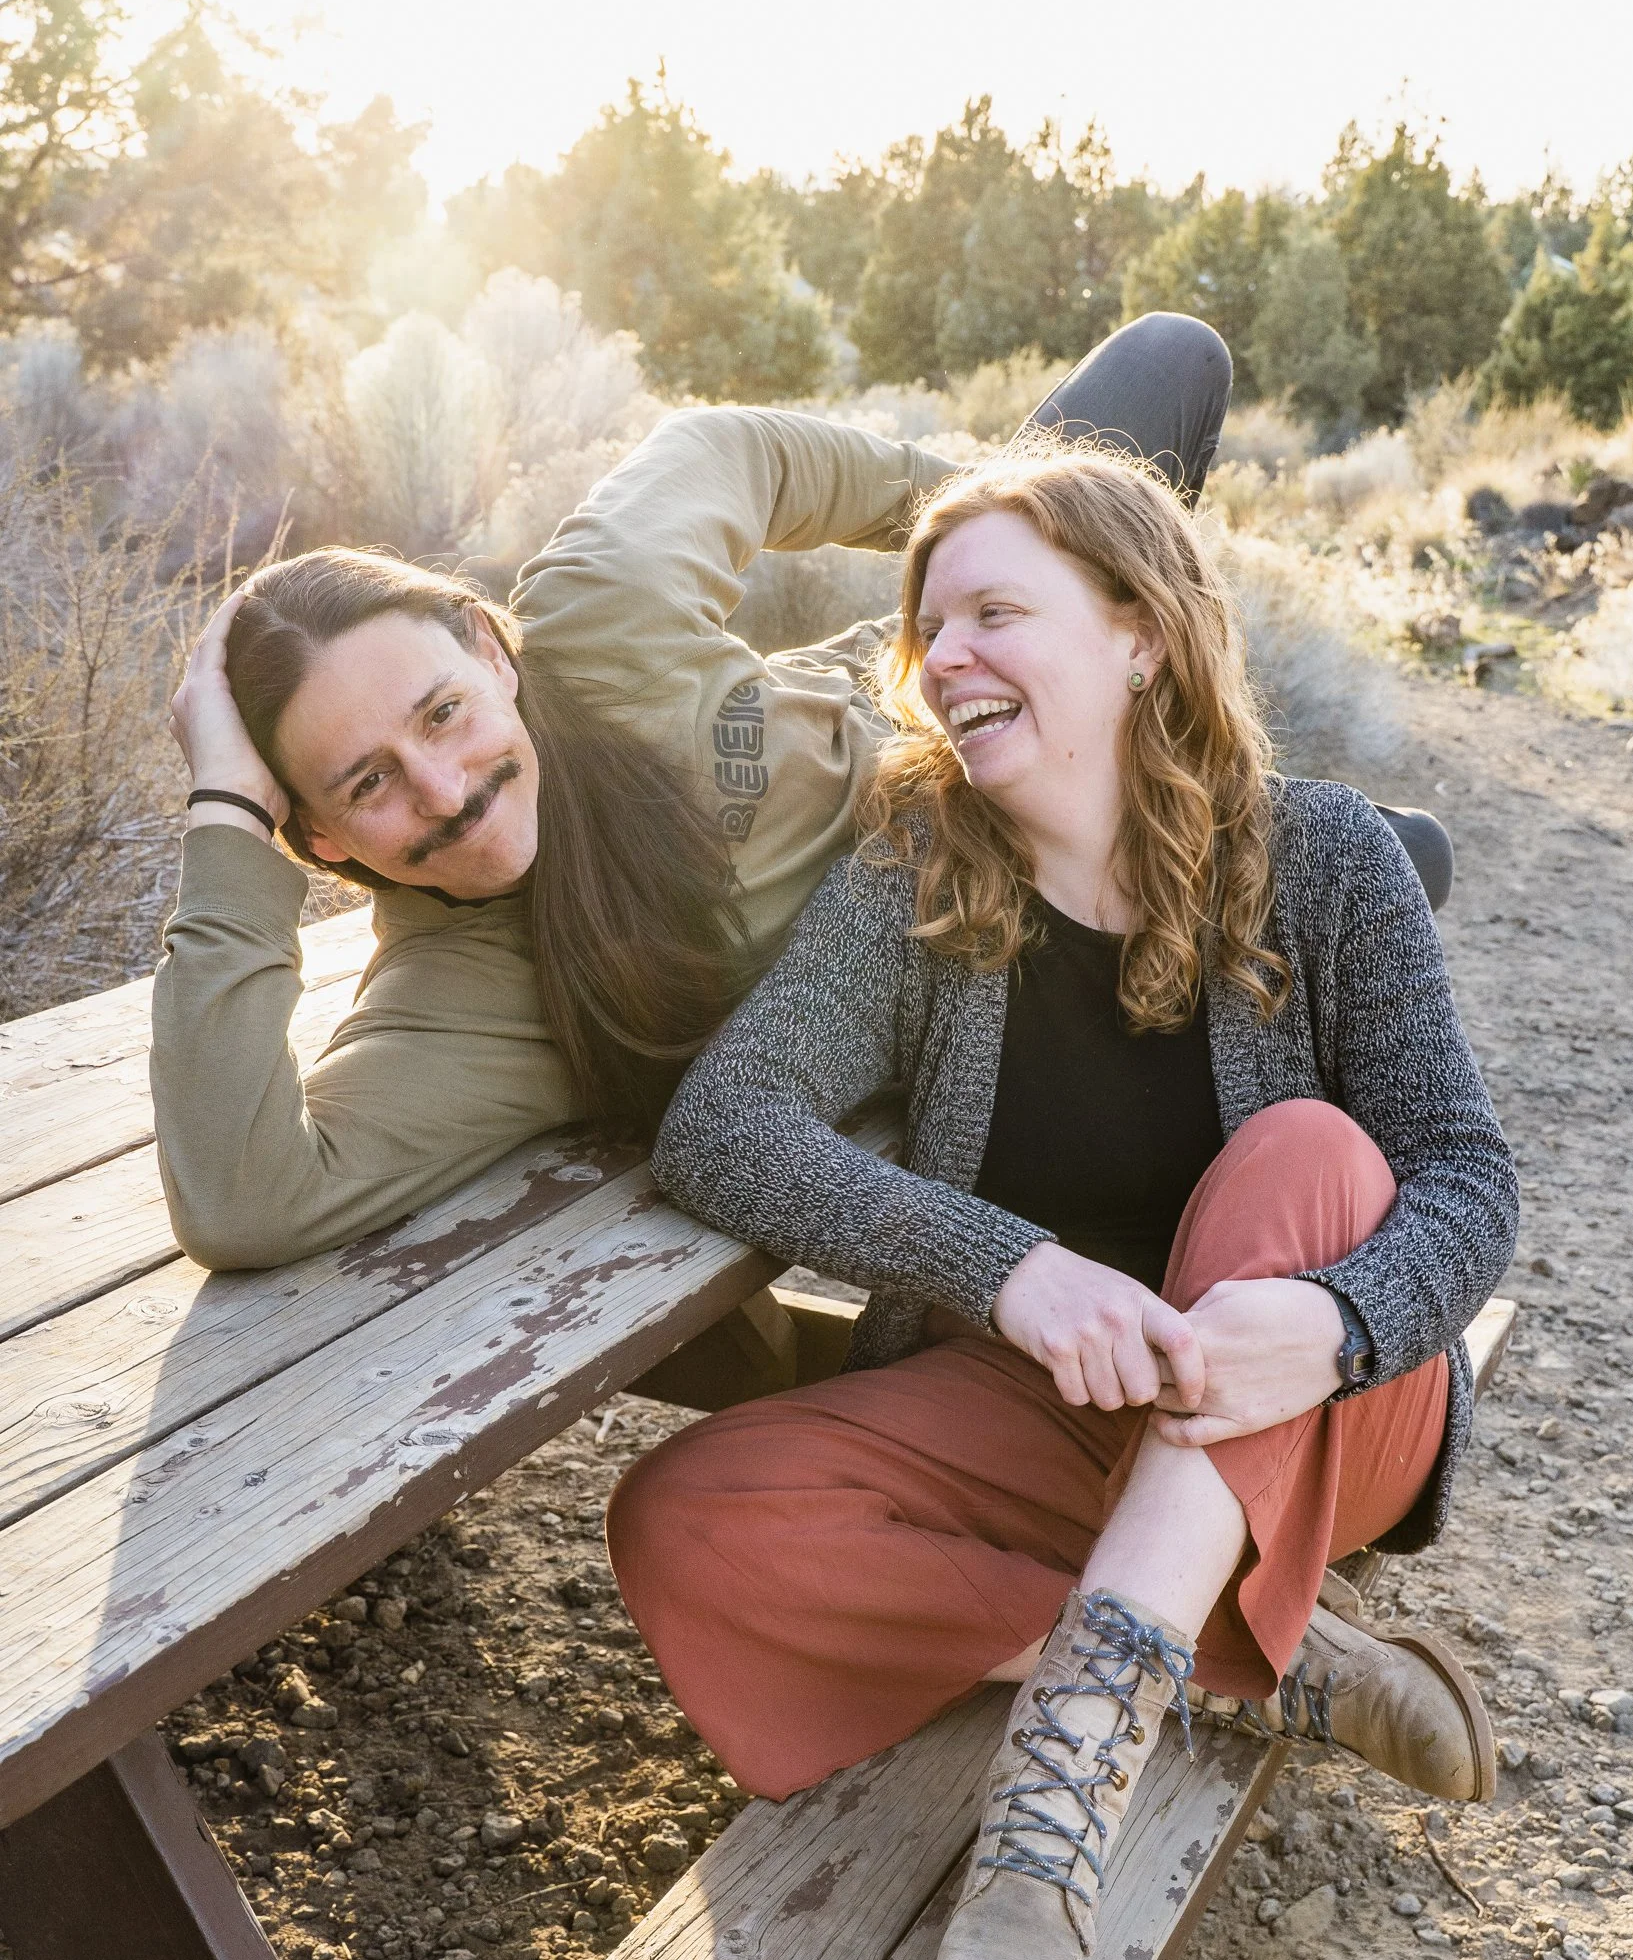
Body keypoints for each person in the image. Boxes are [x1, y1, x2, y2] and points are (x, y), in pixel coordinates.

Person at [608, 438, 1519, 1960]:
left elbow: (1466, 1176)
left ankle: (1048, 1819)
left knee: (1305, 1152)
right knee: (687, 1518)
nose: (943, 656)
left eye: (993, 610)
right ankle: (1248, 1644)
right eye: (927, 625)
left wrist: (1327, 1320)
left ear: (1137, 631)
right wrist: (1008, 1265)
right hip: (1044, 1406)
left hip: (1324, 1410)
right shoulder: (913, 875)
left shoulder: (1320, 857)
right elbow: (722, 1124)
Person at [154, 315, 1244, 1268]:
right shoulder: (463, 1001)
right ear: (320, 839)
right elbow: (247, 1199)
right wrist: (227, 818)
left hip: (912, 688)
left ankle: (1131, 663)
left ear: (489, 650)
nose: (445, 790)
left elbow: (731, 449)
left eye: (440, 712)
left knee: (1168, 361)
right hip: (1002, 875)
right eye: (368, 782)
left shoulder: (595, 614)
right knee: (1358, 868)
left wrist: (970, 542)